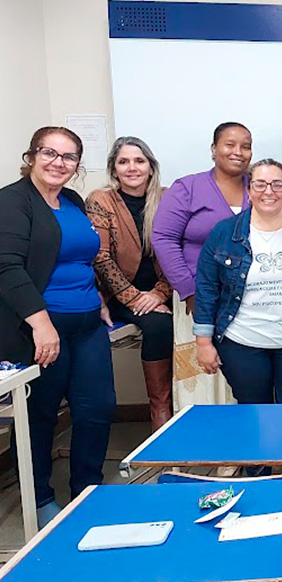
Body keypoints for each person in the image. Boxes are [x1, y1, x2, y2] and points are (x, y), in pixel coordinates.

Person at [0, 127, 116, 526]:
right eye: (49, 152)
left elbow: (81, 259)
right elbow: (7, 267)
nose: (58, 162)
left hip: (88, 325)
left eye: (68, 157)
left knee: (97, 408)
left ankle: (88, 488)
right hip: (39, 330)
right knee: (40, 414)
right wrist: (41, 324)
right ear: (32, 155)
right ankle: (40, 497)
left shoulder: (72, 201)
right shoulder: (13, 202)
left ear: (77, 165)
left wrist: (98, 297)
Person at [193, 158, 282, 404]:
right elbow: (206, 287)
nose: (269, 192)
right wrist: (203, 341)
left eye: (277, 185)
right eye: (260, 184)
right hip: (242, 343)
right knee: (254, 415)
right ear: (248, 190)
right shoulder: (224, 233)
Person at [152, 121, 252, 408]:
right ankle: (201, 432)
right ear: (213, 149)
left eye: (246, 146)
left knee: (243, 376)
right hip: (197, 297)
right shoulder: (188, 188)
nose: (238, 152)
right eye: (230, 144)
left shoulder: (258, 187)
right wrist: (190, 291)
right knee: (201, 374)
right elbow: (163, 239)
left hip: (248, 300)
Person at [86, 136, 174, 429]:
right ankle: (160, 408)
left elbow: (180, 250)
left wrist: (159, 294)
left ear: (151, 166)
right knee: (159, 325)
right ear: (114, 168)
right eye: (123, 162)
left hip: (164, 293)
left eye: (139, 161)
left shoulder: (168, 197)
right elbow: (100, 257)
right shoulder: (101, 200)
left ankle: (194, 407)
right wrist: (136, 299)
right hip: (118, 295)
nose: (132, 168)